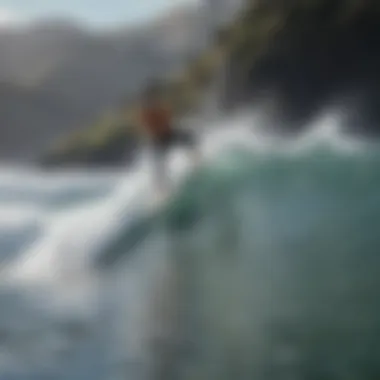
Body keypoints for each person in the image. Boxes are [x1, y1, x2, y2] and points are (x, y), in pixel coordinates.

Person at [138, 82, 199, 194]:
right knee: (159, 166)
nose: (153, 99)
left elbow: (168, 119)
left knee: (190, 138)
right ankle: (161, 189)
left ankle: (196, 162)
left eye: (154, 96)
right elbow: (148, 128)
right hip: (158, 140)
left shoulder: (160, 106)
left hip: (168, 134)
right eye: (150, 97)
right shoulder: (146, 112)